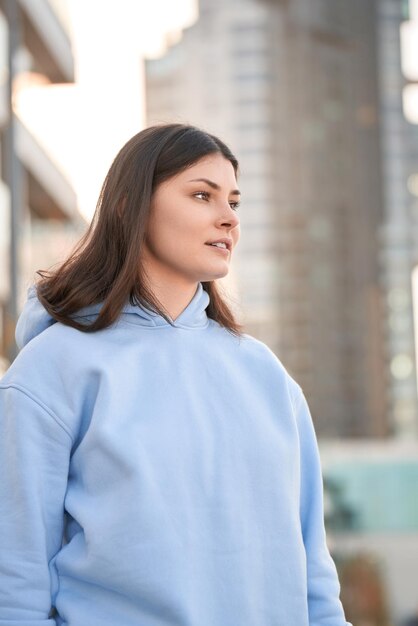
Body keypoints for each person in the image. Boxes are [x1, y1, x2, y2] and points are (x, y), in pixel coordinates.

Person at [0, 123, 352, 626]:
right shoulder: (53, 369)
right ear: (130, 206)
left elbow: (314, 572)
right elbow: (14, 580)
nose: (227, 218)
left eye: (234, 202)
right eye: (202, 195)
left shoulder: (267, 377)